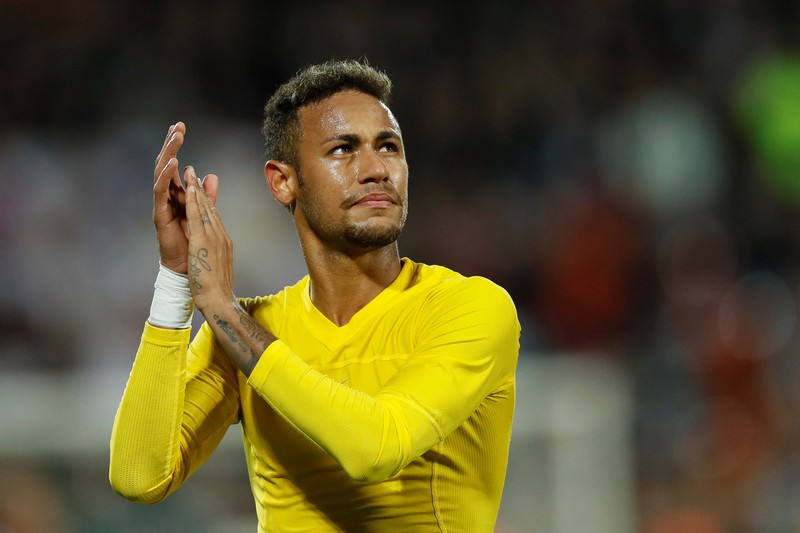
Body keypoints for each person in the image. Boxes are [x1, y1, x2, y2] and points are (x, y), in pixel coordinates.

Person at [109, 59, 520, 532]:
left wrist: (222, 310)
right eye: (343, 149)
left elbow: (376, 450)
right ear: (283, 182)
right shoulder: (249, 328)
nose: (375, 169)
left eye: (388, 146)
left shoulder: (468, 308)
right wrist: (176, 281)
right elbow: (138, 478)